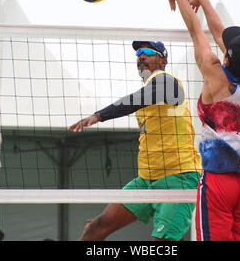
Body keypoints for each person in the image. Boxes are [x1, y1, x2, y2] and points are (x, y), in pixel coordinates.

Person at [68, 41, 201, 241]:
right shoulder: (146, 96)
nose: (141, 56)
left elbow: (136, 99)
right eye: (138, 53)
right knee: (95, 228)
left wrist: (99, 116)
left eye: (147, 52)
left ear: (163, 61)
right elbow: (140, 100)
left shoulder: (168, 82)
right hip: (146, 179)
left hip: (178, 177)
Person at [168, 0, 240, 241]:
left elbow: (196, 32)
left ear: (227, 59)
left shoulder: (214, 75)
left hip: (220, 178)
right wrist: (205, 2)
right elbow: (222, 37)